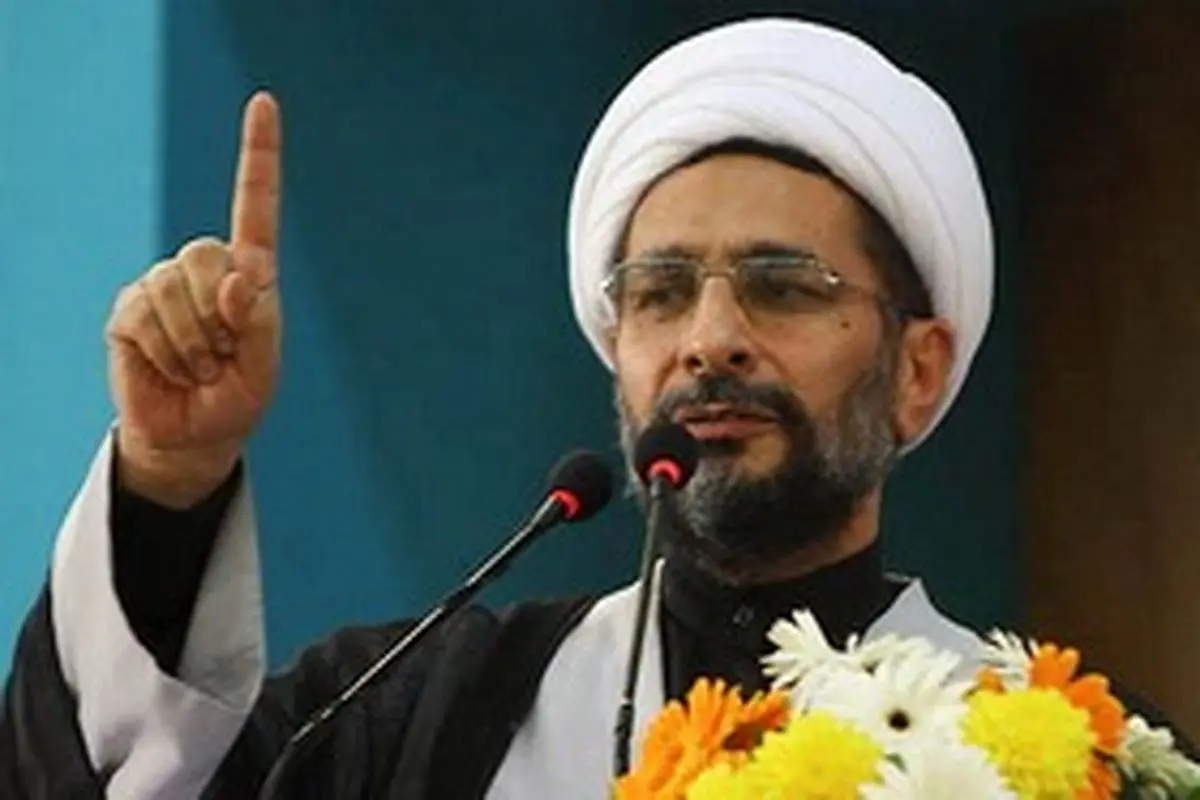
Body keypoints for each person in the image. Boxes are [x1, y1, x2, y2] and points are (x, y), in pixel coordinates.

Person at [0, 15, 1187, 800]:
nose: (709, 338)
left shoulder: (1065, 750)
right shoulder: (415, 712)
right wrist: (170, 475)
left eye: (783, 285)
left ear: (918, 368)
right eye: (659, 292)